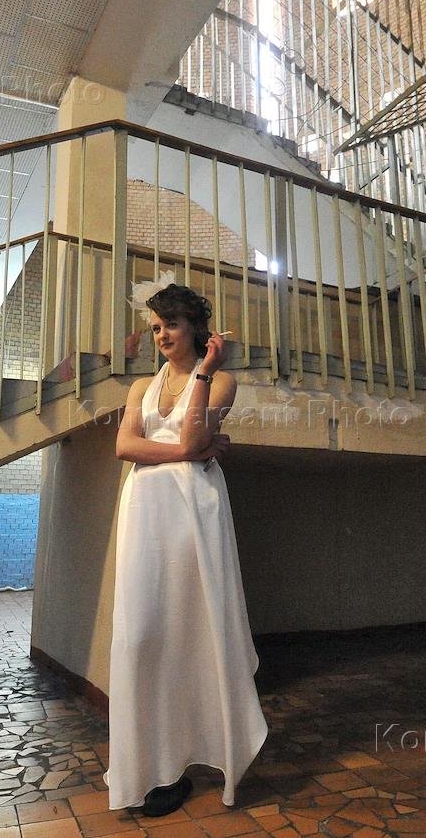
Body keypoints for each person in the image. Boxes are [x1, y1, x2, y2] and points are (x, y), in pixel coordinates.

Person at [105, 276, 268, 817]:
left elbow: (195, 436)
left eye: (171, 324)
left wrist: (203, 372)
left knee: (190, 632)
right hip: (145, 511)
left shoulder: (221, 382)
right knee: (140, 635)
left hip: (194, 512)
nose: (161, 335)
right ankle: (148, 764)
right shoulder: (139, 388)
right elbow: (125, 446)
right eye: (155, 327)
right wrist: (188, 451)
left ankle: (182, 763)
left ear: (196, 328)